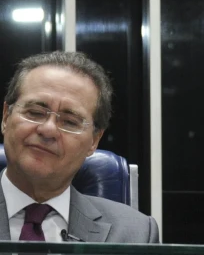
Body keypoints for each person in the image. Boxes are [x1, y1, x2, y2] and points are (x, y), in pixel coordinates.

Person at [0, 51, 159, 244]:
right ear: (6, 117)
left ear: (94, 141)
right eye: (35, 112)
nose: (48, 130)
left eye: (69, 122)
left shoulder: (136, 233)